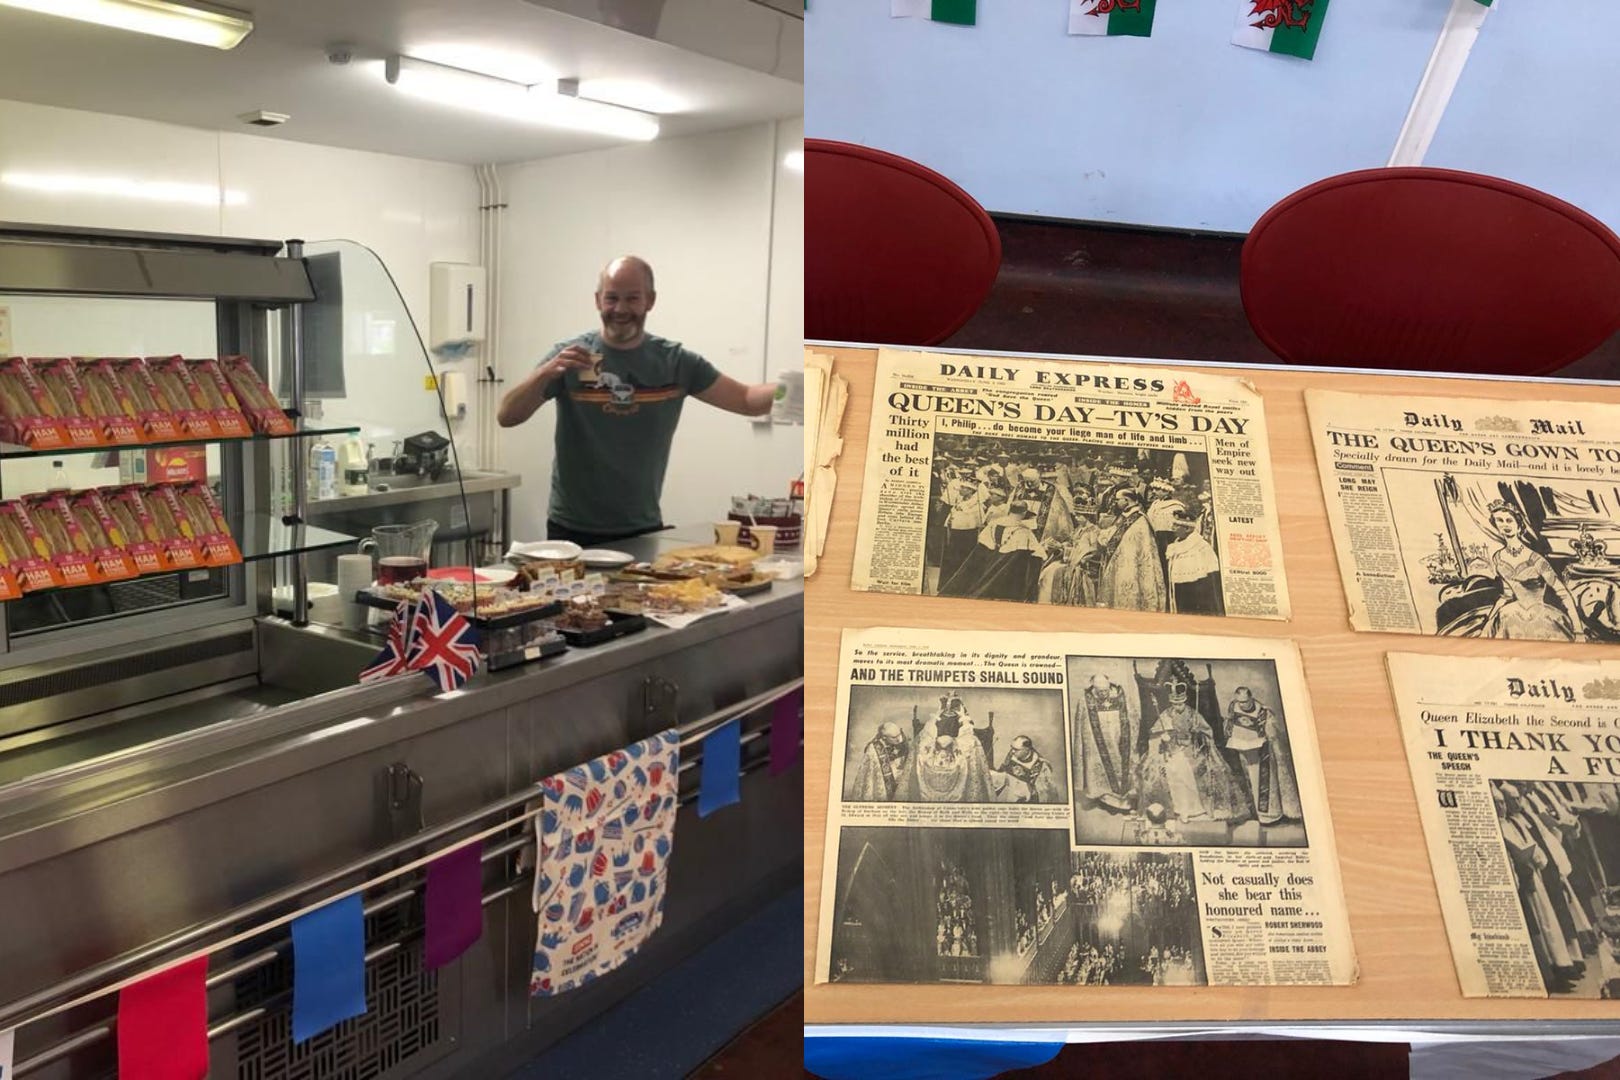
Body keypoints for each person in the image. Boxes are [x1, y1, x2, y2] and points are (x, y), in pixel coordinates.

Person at [496, 256, 778, 546]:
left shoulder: (675, 362)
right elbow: (507, 415)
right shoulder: (569, 357)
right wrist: (544, 374)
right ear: (597, 300)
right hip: (571, 529)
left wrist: (805, 384)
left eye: (632, 298)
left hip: (642, 528)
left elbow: (746, 400)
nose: (620, 309)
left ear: (650, 301)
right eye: (612, 298)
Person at [1480, 500, 1586, 642]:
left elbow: (1563, 593)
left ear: (1519, 526)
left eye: (1509, 520)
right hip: (1510, 615)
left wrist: (1578, 631)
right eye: (1499, 520)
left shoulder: (1535, 559)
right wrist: (1488, 621)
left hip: (1542, 615)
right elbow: (1507, 595)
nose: (1505, 525)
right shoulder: (1498, 558)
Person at [1223, 686, 1300, 825]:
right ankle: (1252, 813)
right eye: (1239, 702)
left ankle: (1270, 815)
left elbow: (1272, 733)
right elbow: (1229, 724)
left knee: (1264, 782)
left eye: (1245, 701)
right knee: (1247, 780)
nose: (1242, 705)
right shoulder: (1233, 706)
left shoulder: (1263, 711)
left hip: (1262, 753)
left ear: (1251, 698)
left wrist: (1266, 735)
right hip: (1242, 751)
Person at [1100, 489, 1166, 612]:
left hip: (1133, 562)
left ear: (1126, 500)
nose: (1116, 502)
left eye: (1118, 499)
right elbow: (1114, 533)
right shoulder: (1125, 515)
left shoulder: (1140, 520)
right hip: (1122, 560)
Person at [850, 721, 911, 801]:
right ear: (884, 737)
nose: (898, 739)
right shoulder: (873, 750)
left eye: (899, 735)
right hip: (881, 784)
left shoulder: (897, 741)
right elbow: (873, 774)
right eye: (894, 737)